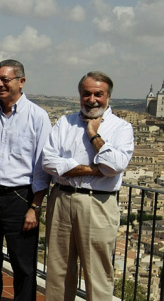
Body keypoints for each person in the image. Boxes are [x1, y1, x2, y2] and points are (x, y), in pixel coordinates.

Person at [42, 71, 134, 301]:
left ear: (108, 96)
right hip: (61, 199)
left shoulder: (121, 128)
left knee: (98, 273)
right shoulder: (65, 122)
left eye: (98, 94)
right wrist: (95, 168)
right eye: (86, 94)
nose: (92, 99)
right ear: (79, 95)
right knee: (58, 270)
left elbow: (116, 165)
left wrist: (94, 135)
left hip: (98, 203)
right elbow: (48, 162)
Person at [0, 59, 51, 301]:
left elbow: (41, 168)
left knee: (23, 264)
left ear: (21, 82)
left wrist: (34, 207)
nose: (0, 84)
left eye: (6, 79)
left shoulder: (37, 117)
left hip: (19, 197)